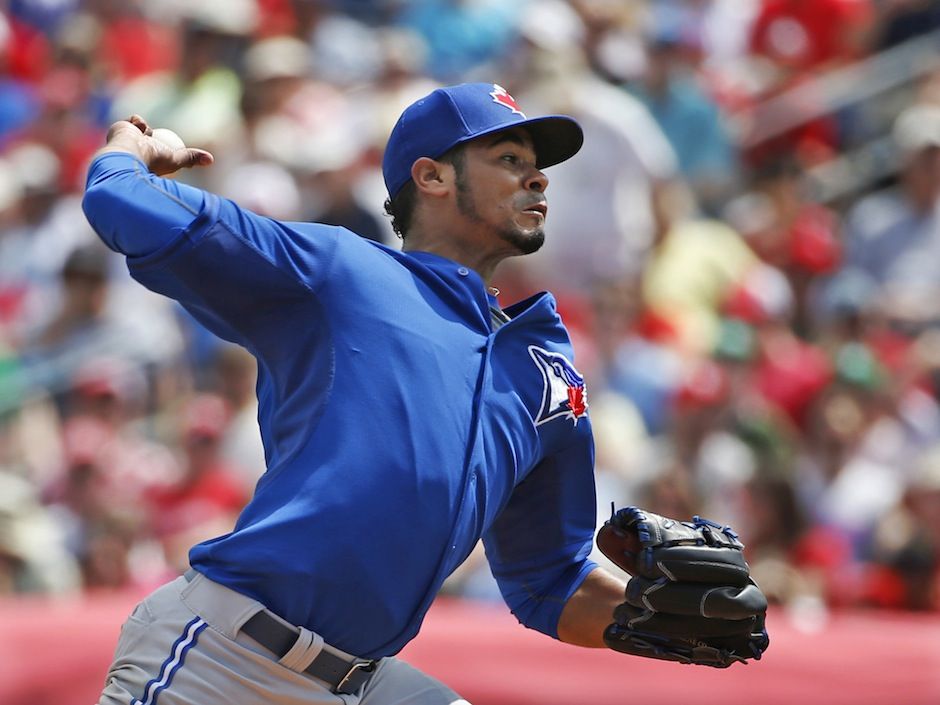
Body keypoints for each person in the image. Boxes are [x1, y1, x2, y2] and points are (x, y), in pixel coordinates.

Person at [82, 83, 760, 705]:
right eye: (507, 156)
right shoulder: (337, 272)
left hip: (361, 682)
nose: (537, 175)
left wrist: (646, 611)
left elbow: (549, 580)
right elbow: (118, 201)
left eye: (536, 161)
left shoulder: (546, 374)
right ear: (431, 175)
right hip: (224, 661)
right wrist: (129, 148)